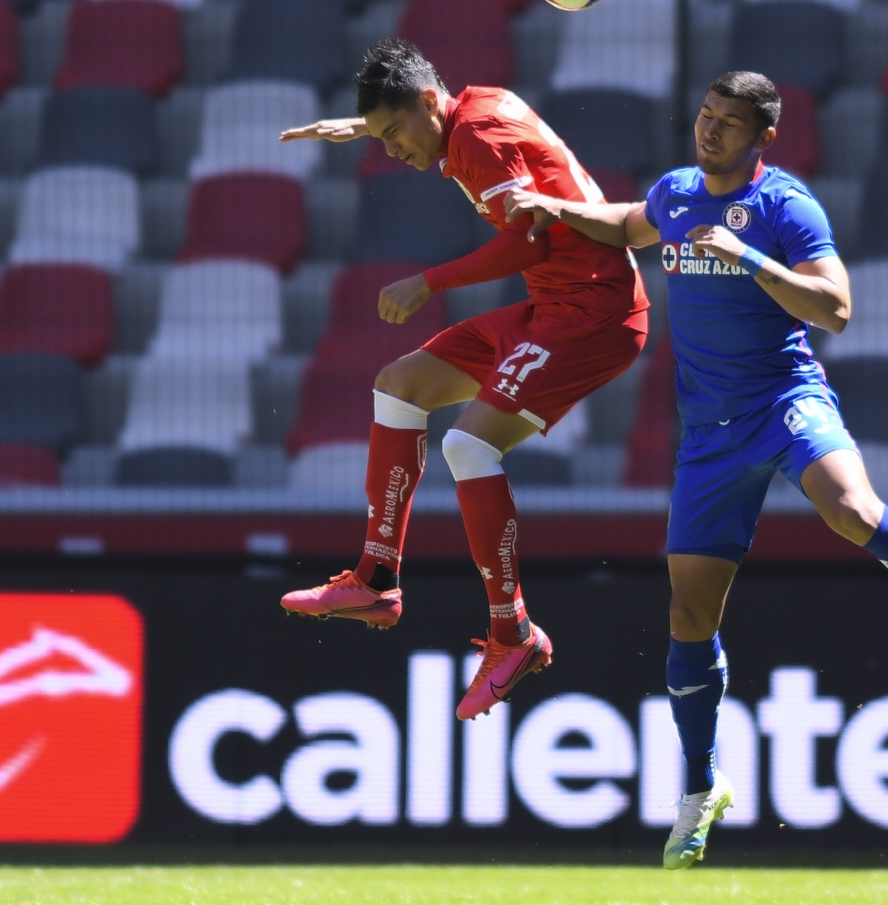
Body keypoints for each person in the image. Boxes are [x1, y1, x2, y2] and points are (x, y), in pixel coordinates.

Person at [505, 71, 888, 869]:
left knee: (854, 513)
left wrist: (751, 258)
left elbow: (835, 308)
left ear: (765, 137)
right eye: (706, 115)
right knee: (689, 618)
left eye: (730, 123)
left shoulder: (786, 207)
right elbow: (628, 225)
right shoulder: (679, 193)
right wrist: (559, 209)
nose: (710, 131)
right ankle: (700, 788)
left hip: (786, 402)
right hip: (711, 436)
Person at [276, 38, 649, 720]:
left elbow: (528, 241)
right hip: (553, 305)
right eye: (380, 137)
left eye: (392, 134)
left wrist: (430, 282)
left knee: (469, 446)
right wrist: (360, 124)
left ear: (425, 104)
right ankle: (377, 578)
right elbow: (440, 125)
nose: (391, 151)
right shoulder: (474, 109)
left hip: (594, 314)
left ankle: (513, 632)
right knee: (400, 385)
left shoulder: (474, 139)